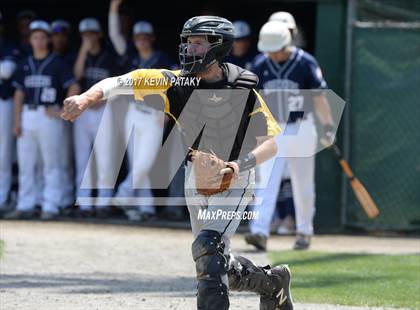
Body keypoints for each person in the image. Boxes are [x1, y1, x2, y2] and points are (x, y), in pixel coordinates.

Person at [61, 16, 294, 310]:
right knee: (212, 259)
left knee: (209, 249)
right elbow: (121, 81)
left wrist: (237, 166)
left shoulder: (243, 88)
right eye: (187, 42)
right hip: (195, 176)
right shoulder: (174, 82)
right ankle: (272, 283)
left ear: (218, 46)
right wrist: (85, 97)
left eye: (197, 43)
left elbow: (271, 143)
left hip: (235, 178)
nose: (188, 49)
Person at [245, 21, 335, 251]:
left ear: (287, 44)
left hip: (301, 128)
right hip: (272, 129)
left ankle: (304, 231)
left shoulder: (305, 62)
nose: (273, 54)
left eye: (276, 50)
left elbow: (318, 97)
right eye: (270, 50)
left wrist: (327, 125)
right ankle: (259, 232)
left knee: (302, 185)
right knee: (265, 181)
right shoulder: (260, 63)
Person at [109, 0, 176, 221]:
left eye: (145, 37)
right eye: (138, 38)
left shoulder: (162, 59)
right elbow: (115, 37)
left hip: (154, 116)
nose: (141, 41)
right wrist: (113, 9)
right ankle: (145, 207)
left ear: (152, 38)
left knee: (144, 163)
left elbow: (176, 87)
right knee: (137, 163)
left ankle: (123, 194)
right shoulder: (132, 56)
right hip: (134, 113)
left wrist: (167, 112)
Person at [4, 20, 79, 220]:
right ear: (29, 40)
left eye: (42, 37)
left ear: (48, 40)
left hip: (49, 115)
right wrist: (17, 121)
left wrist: (63, 109)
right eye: (35, 37)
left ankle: (50, 205)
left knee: (51, 164)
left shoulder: (57, 62)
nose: (38, 41)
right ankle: (25, 204)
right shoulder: (24, 63)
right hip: (28, 115)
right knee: (26, 164)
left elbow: (73, 87)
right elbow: (19, 93)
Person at [73, 17, 120, 218]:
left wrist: (100, 101)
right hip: (83, 111)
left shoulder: (109, 57)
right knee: (82, 158)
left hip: (104, 110)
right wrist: (83, 49)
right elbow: (76, 76)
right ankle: (83, 203)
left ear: (99, 34)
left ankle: (103, 202)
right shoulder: (79, 56)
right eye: (85, 34)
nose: (89, 38)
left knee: (105, 158)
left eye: (92, 34)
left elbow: (118, 87)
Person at [50, 19, 77, 210]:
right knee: (49, 160)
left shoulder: (70, 57)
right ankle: (52, 198)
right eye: (56, 34)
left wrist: (63, 110)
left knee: (66, 158)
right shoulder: (43, 56)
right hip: (46, 115)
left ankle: (66, 198)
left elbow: (74, 82)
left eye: (63, 35)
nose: (59, 38)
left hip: (66, 113)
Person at [0, 11, 20, 214]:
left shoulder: (8, 45)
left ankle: (2, 196)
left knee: (3, 153)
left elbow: (6, 70)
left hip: (3, 103)